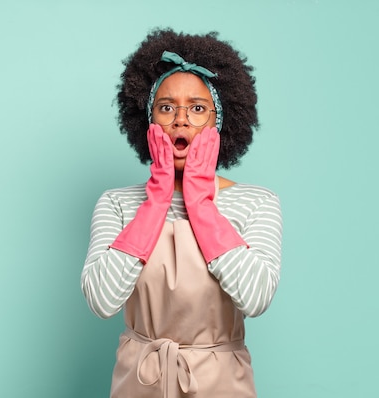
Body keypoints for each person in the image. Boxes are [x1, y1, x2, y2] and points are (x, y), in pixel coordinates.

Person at [81, 28, 283, 398]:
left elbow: (256, 299)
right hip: (139, 381)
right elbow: (101, 299)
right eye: (167, 107)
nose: (181, 120)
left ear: (219, 122)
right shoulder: (116, 203)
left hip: (220, 384)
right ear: (148, 120)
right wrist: (156, 199)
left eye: (198, 108)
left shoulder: (258, 202)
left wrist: (200, 203)